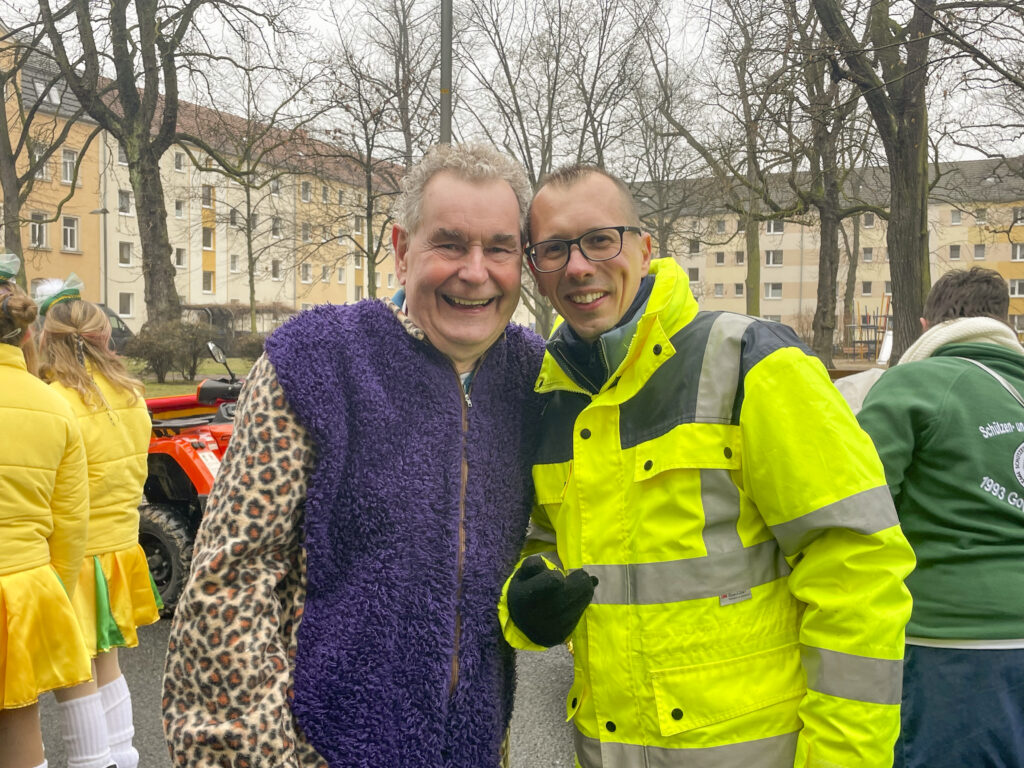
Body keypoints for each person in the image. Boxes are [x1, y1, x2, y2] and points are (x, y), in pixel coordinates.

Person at [498, 165, 916, 767]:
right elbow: (546, 545)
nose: (578, 266)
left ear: (645, 248)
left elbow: (858, 569)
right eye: (554, 249)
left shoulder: (750, 362)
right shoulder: (553, 399)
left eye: (600, 240)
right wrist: (528, 604)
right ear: (536, 271)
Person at [162, 143, 545, 767]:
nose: (476, 272)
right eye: (450, 244)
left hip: (473, 745)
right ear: (402, 249)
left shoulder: (532, 377)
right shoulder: (317, 361)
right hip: (324, 746)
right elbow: (231, 584)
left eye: (499, 248)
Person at [856, 266, 1024, 768]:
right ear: (1003, 322)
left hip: (952, 643)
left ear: (927, 325)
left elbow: (859, 507)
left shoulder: (914, 385)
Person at [36, 277, 159, 768]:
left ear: (47, 339)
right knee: (107, 660)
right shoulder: (132, 394)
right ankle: (123, 755)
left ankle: (92, 761)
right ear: (104, 336)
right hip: (120, 546)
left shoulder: (55, 401)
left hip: (74, 553)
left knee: (76, 672)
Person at [0, 255, 92, 768]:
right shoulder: (55, 405)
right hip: (26, 586)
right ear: (26, 332)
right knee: (19, 719)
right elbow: (71, 520)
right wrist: (52, 588)